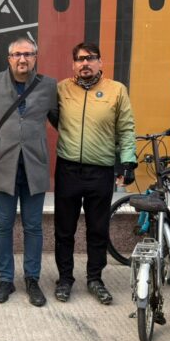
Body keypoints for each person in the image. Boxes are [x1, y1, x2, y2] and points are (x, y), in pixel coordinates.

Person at [0, 37, 58, 307]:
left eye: (28, 54)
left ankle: (32, 279)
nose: (23, 59)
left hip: (34, 165)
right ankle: (6, 279)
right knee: (2, 225)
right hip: (3, 164)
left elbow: (61, 120)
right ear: (9, 58)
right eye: (17, 54)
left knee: (33, 226)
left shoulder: (48, 85)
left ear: (35, 57)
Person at [54, 42, 136, 306]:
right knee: (64, 230)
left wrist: (128, 162)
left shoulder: (117, 90)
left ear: (100, 62)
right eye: (80, 59)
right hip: (68, 169)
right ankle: (64, 279)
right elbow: (53, 117)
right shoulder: (61, 89)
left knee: (98, 229)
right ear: (73, 64)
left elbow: (126, 128)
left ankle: (95, 279)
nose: (85, 63)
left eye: (90, 58)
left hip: (100, 170)